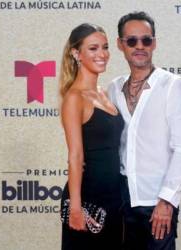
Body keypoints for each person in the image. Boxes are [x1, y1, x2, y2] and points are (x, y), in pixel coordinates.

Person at [108, 11, 181, 250]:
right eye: (132, 40)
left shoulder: (171, 85)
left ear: (154, 43)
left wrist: (166, 201)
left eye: (146, 40)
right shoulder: (113, 88)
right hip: (122, 200)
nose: (140, 46)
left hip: (157, 202)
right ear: (120, 44)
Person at [59, 23, 124, 250]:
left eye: (105, 47)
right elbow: (75, 156)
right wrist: (75, 207)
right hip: (88, 198)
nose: (103, 54)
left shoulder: (105, 94)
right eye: (93, 48)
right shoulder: (74, 98)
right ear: (76, 53)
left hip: (114, 197)